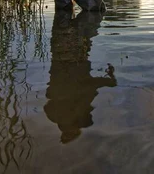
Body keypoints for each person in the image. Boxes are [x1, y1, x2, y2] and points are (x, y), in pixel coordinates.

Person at [44, 10, 116, 143]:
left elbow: (90, 85)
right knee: (88, 14)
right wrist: (110, 80)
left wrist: (110, 81)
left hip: (64, 54)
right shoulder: (63, 109)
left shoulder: (57, 111)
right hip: (68, 54)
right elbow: (91, 85)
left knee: (67, 12)